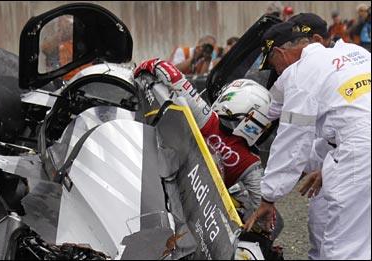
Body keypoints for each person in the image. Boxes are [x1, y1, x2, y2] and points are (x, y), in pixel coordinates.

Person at [245, 20, 371, 260]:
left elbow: (292, 141)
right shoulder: (354, 53)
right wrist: (326, 165)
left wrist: (269, 196)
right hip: (358, 148)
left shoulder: (301, 73)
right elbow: (348, 117)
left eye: (273, 65)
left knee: (342, 249)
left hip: (359, 154)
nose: (278, 72)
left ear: (280, 53)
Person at [134, 59, 274, 217]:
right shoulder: (251, 163)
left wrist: (144, 67)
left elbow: (170, 74)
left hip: (166, 188)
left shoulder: (207, 117)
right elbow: (263, 210)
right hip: (191, 209)